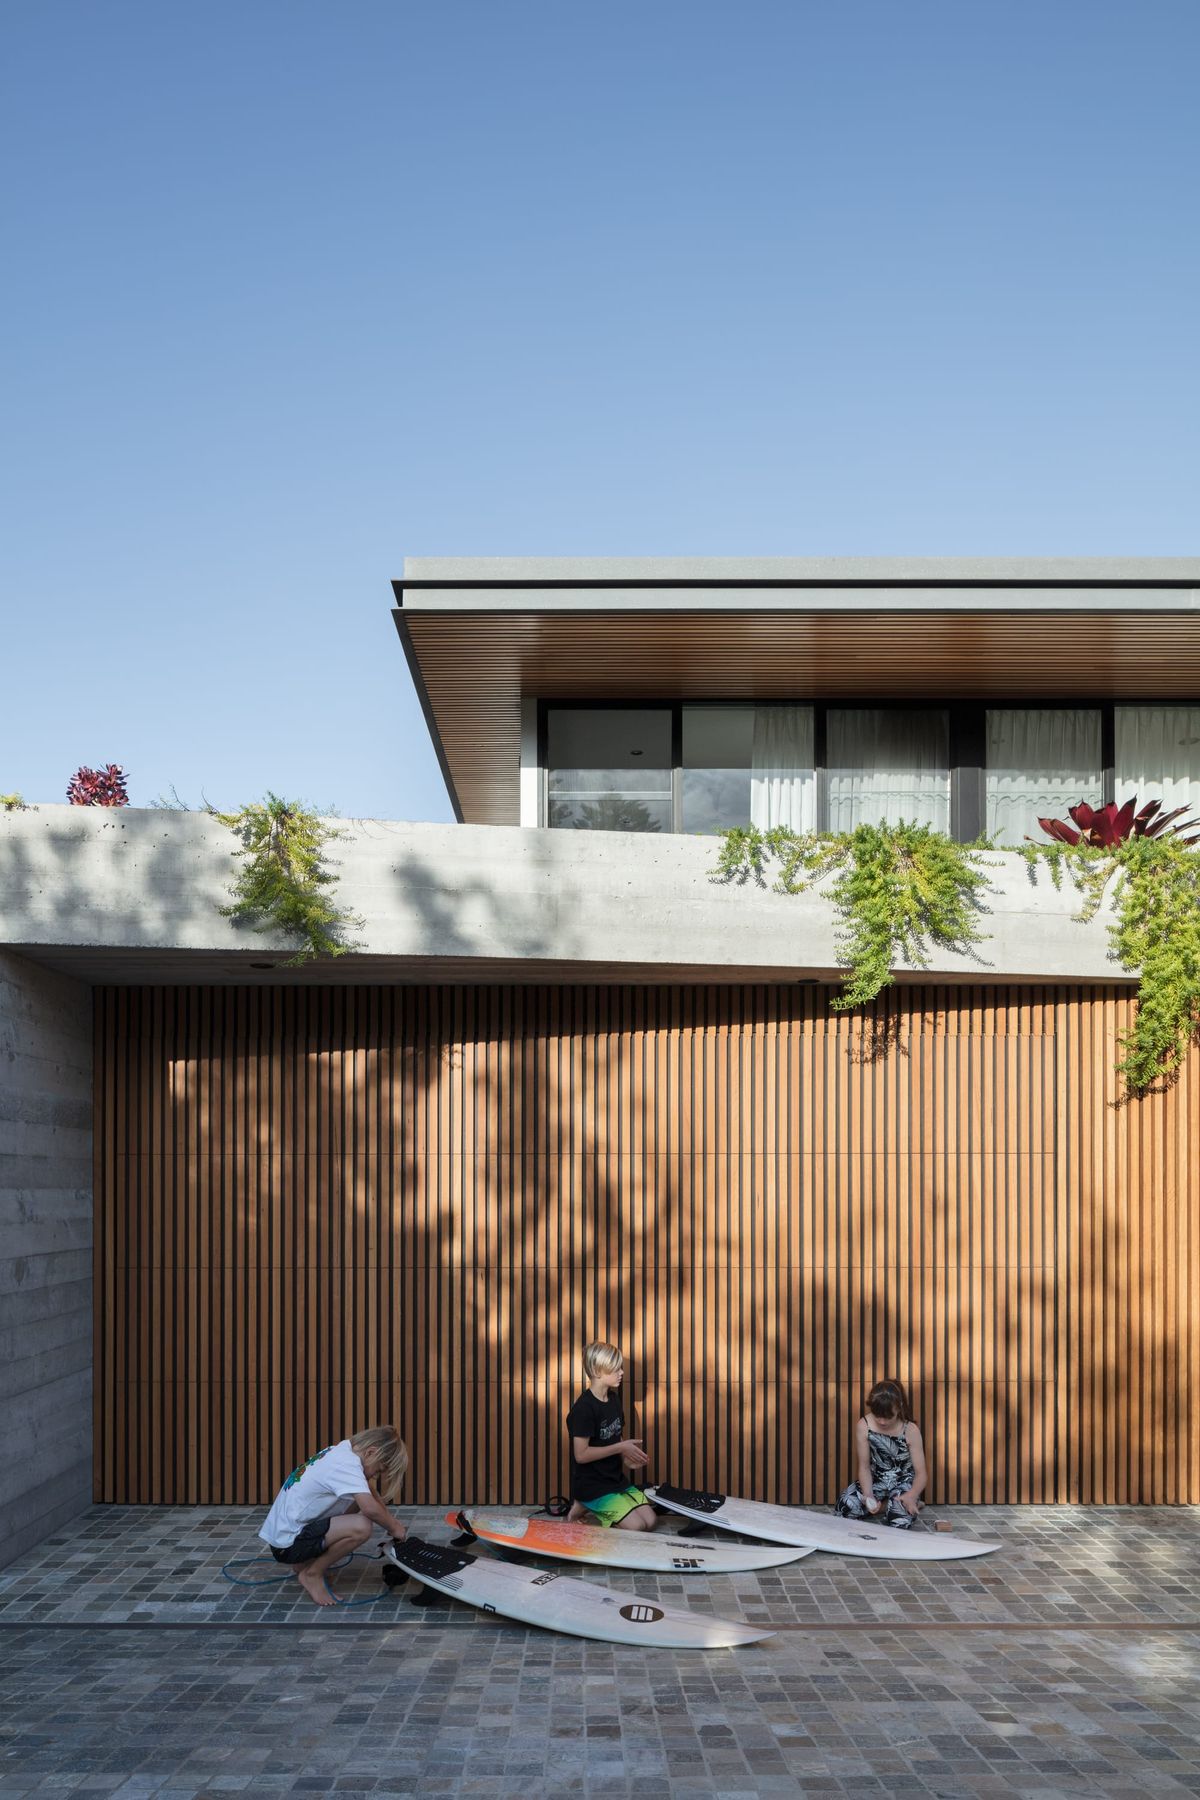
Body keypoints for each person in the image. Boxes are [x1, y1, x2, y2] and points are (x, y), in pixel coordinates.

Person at [258, 1424, 409, 1606]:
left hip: (285, 1537)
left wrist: (390, 1519)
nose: (375, 1476)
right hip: (288, 1545)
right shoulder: (345, 1465)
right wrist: (394, 1528)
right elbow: (369, 1508)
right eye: (378, 1470)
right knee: (361, 1526)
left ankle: (305, 1562)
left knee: (359, 1500)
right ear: (371, 1452)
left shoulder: (340, 1451)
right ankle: (312, 1573)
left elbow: (369, 1491)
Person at [565, 1341, 657, 1532]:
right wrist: (621, 1448)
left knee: (651, 1521)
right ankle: (583, 1503)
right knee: (637, 1527)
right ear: (598, 1372)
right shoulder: (584, 1409)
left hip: (615, 1480)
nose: (622, 1372)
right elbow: (581, 1455)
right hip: (593, 1486)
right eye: (616, 1369)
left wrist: (628, 1458)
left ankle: (583, 1506)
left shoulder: (614, 1400)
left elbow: (617, 1437)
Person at [834, 1380, 927, 1529]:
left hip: (903, 1482)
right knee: (844, 1506)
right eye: (878, 1416)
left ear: (899, 1408)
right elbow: (864, 1467)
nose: (882, 1422)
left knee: (899, 1519)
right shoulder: (864, 1425)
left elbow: (921, 1474)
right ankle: (887, 1505)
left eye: (888, 1417)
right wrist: (868, 1495)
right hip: (877, 1478)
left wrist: (912, 1494)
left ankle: (902, 1504)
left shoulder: (910, 1430)